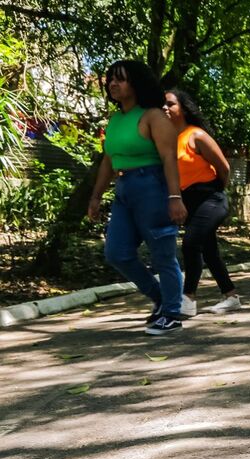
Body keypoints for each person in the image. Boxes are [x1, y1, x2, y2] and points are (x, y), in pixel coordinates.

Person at [88, 60, 187, 335]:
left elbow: (169, 158)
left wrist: (175, 197)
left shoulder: (153, 116)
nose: (113, 84)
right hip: (124, 188)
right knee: (116, 253)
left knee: (163, 254)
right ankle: (160, 298)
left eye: (120, 79)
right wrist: (95, 197)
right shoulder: (115, 120)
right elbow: (108, 160)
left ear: (136, 83)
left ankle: (172, 314)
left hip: (152, 186)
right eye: (110, 79)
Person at [163, 89, 240, 315]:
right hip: (190, 203)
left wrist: (216, 189)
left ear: (184, 109)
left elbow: (224, 167)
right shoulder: (168, 140)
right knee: (209, 251)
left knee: (190, 244)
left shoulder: (196, 135)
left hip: (211, 199)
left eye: (170, 104)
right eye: (162, 105)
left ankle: (188, 299)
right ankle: (231, 296)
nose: (165, 108)